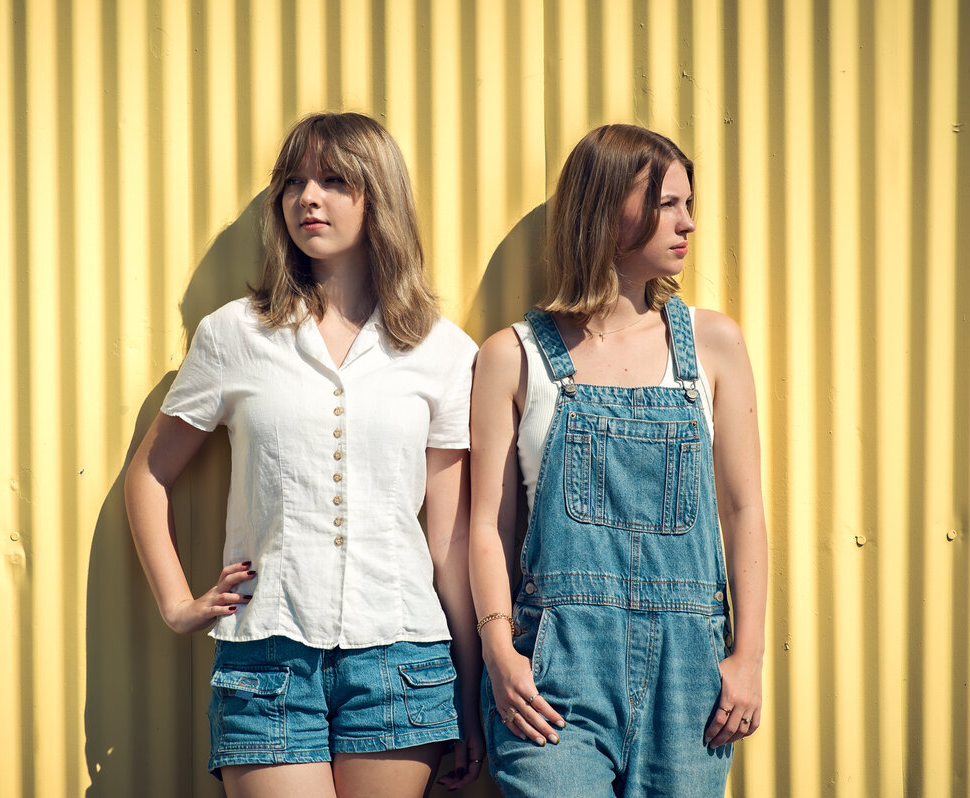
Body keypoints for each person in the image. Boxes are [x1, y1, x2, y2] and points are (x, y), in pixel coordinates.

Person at [125, 112, 485, 797]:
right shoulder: (235, 333)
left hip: (401, 659)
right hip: (267, 662)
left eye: (332, 180)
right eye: (292, 181)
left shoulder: (441, 350)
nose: (306, 198)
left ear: (377, 195)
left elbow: (451, 539)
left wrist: (469, 696)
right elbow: (148, 474)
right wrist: (175, 604)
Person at [468, 124, 767, 796]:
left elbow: (743, 509)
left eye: (690, 205)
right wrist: (499, 652)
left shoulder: (713, 345)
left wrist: (747, 658)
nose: (687, 224)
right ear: (606, 210)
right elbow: (486, 525)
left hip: (689, 673)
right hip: (554, 671)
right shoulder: (510, 357)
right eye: (668, 204)